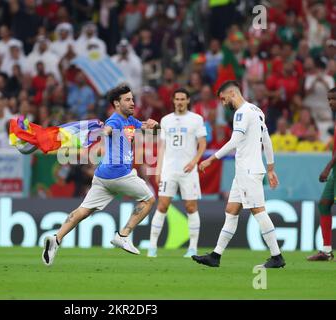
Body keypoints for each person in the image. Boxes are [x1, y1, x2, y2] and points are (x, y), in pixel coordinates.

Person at [42, 84, 159, 266]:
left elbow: (146, 128)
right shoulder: (114, 121)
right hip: (119, 173)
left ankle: (56, 239)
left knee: (84, 210)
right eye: (127, 100)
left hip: (103, 176)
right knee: (149, 199)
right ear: (116, 104)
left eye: (132, 99)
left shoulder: (130, 121)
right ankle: (123, 235)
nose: (132, 102)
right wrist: (103, 134)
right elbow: (107, 130)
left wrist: (154, 125)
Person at [193, 80, 286, 268]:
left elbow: (234, 140)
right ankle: (216, 255)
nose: (222, 103)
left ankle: (277, 256)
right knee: (231, 211)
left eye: (223, 98)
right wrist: (270, 168)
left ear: (232, 93)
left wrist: (212, 159)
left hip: (248, 171)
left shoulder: (241, 113)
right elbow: (266, 140)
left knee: (258, 211)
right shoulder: (257, 111)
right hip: (247, 171)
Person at [148, 88, 207, 258]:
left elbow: (202, 143)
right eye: (177, 99)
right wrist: (158, 169)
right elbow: (162, 147)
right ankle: (152, 247)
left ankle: (193, 248)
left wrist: (194, 161)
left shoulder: (196, 119)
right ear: (173, 101)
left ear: (188, 101)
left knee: (191, 207)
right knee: (162, 205)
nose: (180, 102)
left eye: (183, 99)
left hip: (189, 171)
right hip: (169, 170)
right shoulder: (166, 120)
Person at [307, 87, 336, 261]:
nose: (330, 103)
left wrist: (327, 167)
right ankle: (326, 251)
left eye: (333, 99)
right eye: (329, 99)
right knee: (324, 204)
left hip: (332, 168)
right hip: (335, 171)